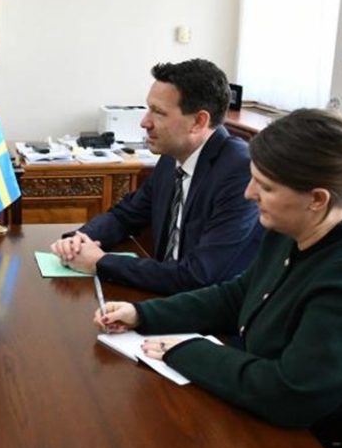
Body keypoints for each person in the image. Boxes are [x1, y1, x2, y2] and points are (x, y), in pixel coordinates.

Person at [93, 108, 342, 448]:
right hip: (275, 428)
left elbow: (289, 394)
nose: (249, 193)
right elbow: (238, 295)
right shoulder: (294, 228)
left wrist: (184, 350)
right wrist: (144, 314)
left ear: (317, 199)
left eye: (266, 187)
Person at [50, 59, 262, 294]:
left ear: (198, 121)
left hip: (208, 308)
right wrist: (79, 240)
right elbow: (125, 216)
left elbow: (199, 274)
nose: (145, 122)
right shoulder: (172, 157)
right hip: (165, 295)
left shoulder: (240, 171)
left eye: (158, 112)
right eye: (148, 109)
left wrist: (100, 262)